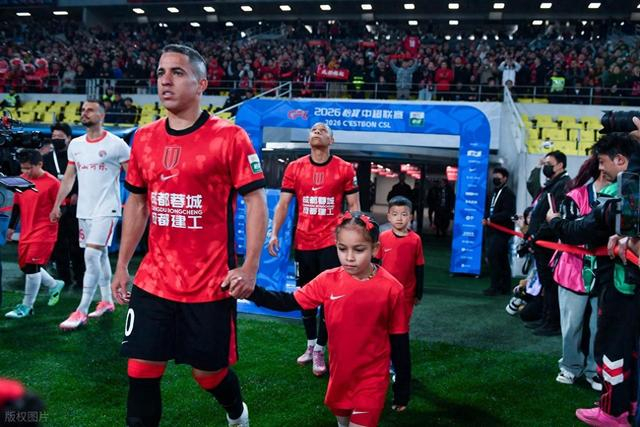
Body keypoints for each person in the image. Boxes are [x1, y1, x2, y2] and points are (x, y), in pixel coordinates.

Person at [111, 44, 267, 427]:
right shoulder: (144, 138)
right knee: (140, 369)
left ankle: (237, 412)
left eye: (177, 72)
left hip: (209, 284)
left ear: (202, 84)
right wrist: (122, 265)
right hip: (154, 279)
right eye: (161, 72)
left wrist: (249, 268)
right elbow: (137, 204)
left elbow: (256, 201)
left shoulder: (229, 137)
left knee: (208, 375)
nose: (165, 80)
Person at [232, 212, 410, 427]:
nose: (349, 257)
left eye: (359, 249)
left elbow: (400, 341)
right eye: (342, 248)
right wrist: (252, 292)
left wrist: (402, 385)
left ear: (375, 249)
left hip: (372, 379)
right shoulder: (328, 280)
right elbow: (288, 302)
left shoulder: (392, 289)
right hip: (340, 376)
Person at [546, 134, 639, 425]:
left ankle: (613, 411)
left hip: (621, 285)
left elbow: (582, 230)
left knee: (612, 347)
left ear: (621, 160)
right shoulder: (613, 193)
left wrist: (555, 222)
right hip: (616, 282)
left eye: (602, 161)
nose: (600, 167)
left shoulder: (620, 196)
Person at [268, 121, 360, 377]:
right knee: (305, 297)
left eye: (323, 130)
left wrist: (355, 237)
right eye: (313, 130)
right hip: (304, 243)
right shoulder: (295, 168)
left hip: (331, 244)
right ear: (308, 139)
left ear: (332, 140)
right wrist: (274, 233)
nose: (317, 132)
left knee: (330, 298)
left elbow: (354, 205)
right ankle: (310, 345)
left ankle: (321, 348)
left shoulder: (344, 168)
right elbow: (283, 204)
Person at [50, 100, 130, 330]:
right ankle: (106, 301)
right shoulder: (75, 145)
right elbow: (69, 178)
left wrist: (136, 204)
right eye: (83, 109)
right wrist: (57, 204)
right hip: (84, 210)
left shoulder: (117, 144)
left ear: (101, 115)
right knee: (100, 255)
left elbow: (133, 176)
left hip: (107, 209)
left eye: (90, 110)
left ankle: (81, 310)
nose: (84, 113)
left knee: (91, 255)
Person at [550, 157, 606, 392]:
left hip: (605, 271)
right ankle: (570, 366)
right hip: (573, 269)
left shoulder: (622, 196)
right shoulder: (576, 196)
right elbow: (569, 233)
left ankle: (594, 370)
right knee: (572, 324)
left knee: (599, 326)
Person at [4, 149, 65, 318]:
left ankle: (27, 307)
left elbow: (62, 206)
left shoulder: (53, 183)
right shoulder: (21, 180)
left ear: (40, 164)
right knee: (26, 266)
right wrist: (11, 227)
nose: (26, 172)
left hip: (45, 231)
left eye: (29, 168)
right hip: (27, 230)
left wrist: (57, 214)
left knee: (32, 267)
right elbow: (17, 206)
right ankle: (53, 284)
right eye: (23, 168)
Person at [525, 150, 570, 336]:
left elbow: (553, 216)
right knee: (546, 285)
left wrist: (537, 236)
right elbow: (533, 189)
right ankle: (545, 319)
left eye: (549, 164)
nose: (546, 167)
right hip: (540, 242)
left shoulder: (563, 185)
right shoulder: (551, 184)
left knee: (551, 286)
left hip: (548, 243)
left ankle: (553, 323)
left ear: (560, 165)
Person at [43, 122, 84, 290]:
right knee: (58, 244)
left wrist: (78, 192)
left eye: (60, 137)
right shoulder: (46, 159)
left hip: (75, 207)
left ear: (69, 138)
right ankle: (64, 279)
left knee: (76, 245)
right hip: (55, 207)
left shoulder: (76, 157)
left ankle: (81, 279)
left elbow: (85, 178)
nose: (56, 139)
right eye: (54, 136)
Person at [376, 196, 424, 331]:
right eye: (395, 214)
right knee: (382, 324)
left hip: (406, 293)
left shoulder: (415, 240)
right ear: (389, 217)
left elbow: (419, 267)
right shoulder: (383, 237)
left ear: (410, 217)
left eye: (404, 214)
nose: (399, 218)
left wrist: (418, 293)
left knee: (401, 326)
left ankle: (400, 344)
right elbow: (374, 264)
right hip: (384, 290)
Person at [482, 167, 516, 296]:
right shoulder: (493, 192)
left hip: (501, 232)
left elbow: (507, 213)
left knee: (496, 259)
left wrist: (491, 219)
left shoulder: (508, 194)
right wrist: (486, 218)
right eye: (494, 176)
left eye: (498, 177)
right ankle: (504, 286)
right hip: (491, 230)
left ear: (505, 178)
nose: (495, 179)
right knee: (500, 259)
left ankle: (495, 286)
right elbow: (489, 208)